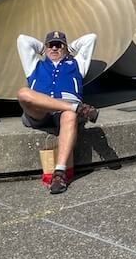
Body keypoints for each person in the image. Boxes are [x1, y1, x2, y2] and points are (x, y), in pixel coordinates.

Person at [16, 30, 99, 194]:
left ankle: (59, 173)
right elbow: (22, 40)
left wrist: (69, 49)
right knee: (23, 93)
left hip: (64, 113)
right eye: (51, 45)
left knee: (69, 116)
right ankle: (77, 108)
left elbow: (91, 38)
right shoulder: (34, 65)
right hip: (40, 111)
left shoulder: (77, 63)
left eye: (59, 45)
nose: (54, 48)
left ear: (64, 48)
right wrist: (42, 49)